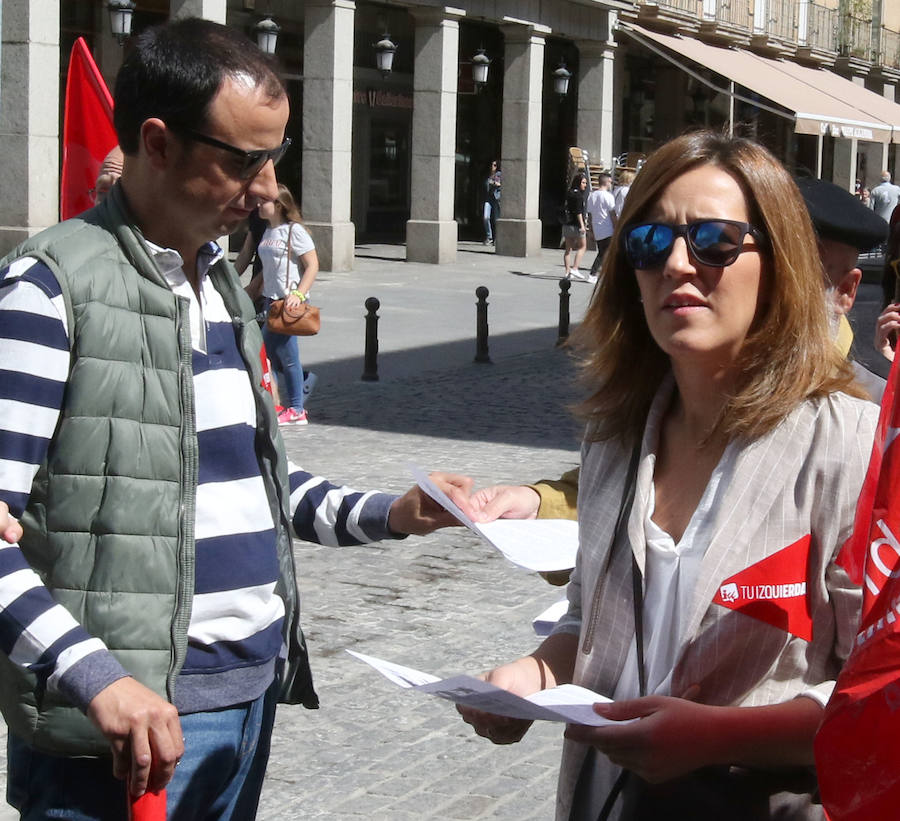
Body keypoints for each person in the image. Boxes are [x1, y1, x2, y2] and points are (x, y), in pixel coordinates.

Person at [0, 18, 472, 821]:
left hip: (247, 700)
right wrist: (97, 677)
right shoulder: (47, 292)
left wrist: (393, 512)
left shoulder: (220, 285)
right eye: (243, 159)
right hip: (125, 733)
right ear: (157, 143)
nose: (264, 188)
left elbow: (257, 476)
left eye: (274, 157)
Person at [456, 131, 877, 820]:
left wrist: (714, 735)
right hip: (608, 799)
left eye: (713, 240)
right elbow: (588, 617)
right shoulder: (616, 434)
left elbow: (878, 687)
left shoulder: (849, 444)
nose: (678, 263)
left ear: (780, 263)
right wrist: (530, 678)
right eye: (650, 242)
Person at [469, 175, 889, 529]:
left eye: (800, 274)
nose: (777, 290)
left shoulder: (870, 417)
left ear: (847, 291)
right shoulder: (686, 373)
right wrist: (538, 502)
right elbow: (625, 485)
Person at [249, 183, 317, 426]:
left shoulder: (294, 231)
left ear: (278, 205)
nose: (258, 204)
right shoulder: (268, 231)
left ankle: (296, 409)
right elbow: (267, 270)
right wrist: (251, 292)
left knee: (269, 355)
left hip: (288, 305)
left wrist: (298, 294)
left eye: (263, 201)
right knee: (278, 358)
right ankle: (281, 405)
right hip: (270, 301)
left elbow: (312, 265)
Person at [586, 172, 616, 283]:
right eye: (610, 181)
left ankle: (600, 273)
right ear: (606, 182)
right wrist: (617, 226)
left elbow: (589, 215)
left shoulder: (592, 196)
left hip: (597, 228)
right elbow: (612, 214)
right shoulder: (608, 196)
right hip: (608, 228)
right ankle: (593, 273)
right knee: (604, 253)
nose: (611, 183)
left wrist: (591, 230)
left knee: (604, 252)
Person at [563, 173, 589, 280]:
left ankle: (567, 271)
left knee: (568, 249)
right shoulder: (579, 196)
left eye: (586, 183)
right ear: (578, 182)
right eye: (583, 182)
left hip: (567, 223)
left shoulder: (569, 193)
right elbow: (578, 212)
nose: (585, 185)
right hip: (576, 225)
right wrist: (582, 225)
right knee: (582, 247)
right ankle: (575, 268)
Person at [483, 160, 501, 245]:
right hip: (488, 198)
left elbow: (500, 184)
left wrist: (493, 182)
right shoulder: (488, 175)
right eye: (492, 165)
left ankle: (497, 238)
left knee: (496, 219)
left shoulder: (499, 174)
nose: (492, 166)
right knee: (486, 217)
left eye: (494, 165)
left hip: (496, 198)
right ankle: (489, 237)